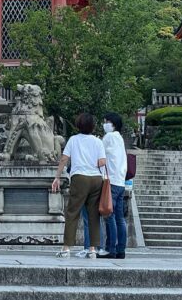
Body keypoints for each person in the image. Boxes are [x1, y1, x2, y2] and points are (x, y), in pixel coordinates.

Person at [52, 113, 107, 258]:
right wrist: (92, 164)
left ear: (78, 125)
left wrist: (57, 177)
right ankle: (93, 249)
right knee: (93, 214)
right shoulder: (97, 141)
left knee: (72, 213)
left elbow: (64, 159)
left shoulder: (73, 140)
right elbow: (102, 161)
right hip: (96, 179)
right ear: (92, 126)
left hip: (79, 178)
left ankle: (66, 248)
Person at [99, 111, 127, 260]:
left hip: (110, 181)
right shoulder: (120, 138)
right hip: (121, 181)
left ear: (112, 123)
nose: (104, 124)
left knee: (108, 215)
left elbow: (101, 155)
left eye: (106, 122)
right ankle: (121, 249)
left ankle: (111, 249)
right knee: (119, 218)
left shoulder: (109, 137)